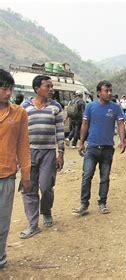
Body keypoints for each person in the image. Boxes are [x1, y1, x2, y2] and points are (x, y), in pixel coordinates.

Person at [20, 75, 65, 239]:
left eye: (51, 86)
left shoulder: (56, 107)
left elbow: (60, 131)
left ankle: (46, 211)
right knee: (29, 189)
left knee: (46, 187)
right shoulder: (24, 107)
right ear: (37, 89)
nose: (51, 89)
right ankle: (33, 224)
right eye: (48, 86)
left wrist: (61, 153)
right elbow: (20, 133)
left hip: (48, 153)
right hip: (29, 153)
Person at [74, 80, 126, 216]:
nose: (109, 93)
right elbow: (85, 124)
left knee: (105, 177)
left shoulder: (115, 108)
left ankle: (102, 203)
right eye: (106, 91)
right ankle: (84, 204)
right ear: (98, 92)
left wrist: (122, 140)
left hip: (107, 149)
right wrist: (81, 143)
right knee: (87, 175)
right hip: (91, 148)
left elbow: (120, 124)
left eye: (110, 91)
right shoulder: (90, 107)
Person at [0, 69, 31, 269]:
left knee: (2, 220)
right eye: (4, 88)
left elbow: (23, 145)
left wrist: (26, 175)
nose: (8, 93)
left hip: (6, 175)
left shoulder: (19, 113)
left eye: (10, 89)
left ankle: (0, 256)